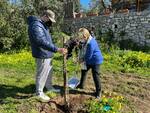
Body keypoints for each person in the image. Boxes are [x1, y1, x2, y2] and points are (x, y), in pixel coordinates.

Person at [27, 9, 67, 102]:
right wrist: (57, 49)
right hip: (42, 54)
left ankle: (49, 87)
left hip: (48, 54)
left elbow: (47, 40)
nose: (50, 22)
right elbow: (41, 41)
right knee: (41, 74)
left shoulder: (42, 25)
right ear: (45, 16)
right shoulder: (36, 25)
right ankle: (39, 93)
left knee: (48, 72)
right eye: (50, 20)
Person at [77, 28, 103, 99]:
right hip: (89, 59)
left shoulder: (91, 43)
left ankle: (98, 92)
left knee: (95, 76)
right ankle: (81, 85)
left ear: (85, 36)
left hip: (95, 61)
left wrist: (80, 60)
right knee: (83, 70)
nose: (80, 39)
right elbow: (82, 47)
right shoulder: (87, 40)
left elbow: (88, 56)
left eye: (81, 37)